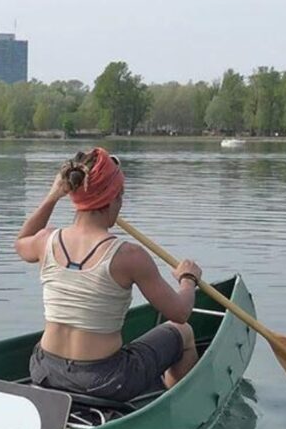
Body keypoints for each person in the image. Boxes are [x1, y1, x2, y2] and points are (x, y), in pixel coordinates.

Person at [14, 147, 202, 403]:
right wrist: (187, 280)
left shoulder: (45, 240)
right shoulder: (129, 256)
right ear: (113, 198)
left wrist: (53, 196)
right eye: (120, 196)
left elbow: (21, 241)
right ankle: (172, 408)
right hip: (105, 381)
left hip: (44, 370)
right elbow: (179, 312)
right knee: (183, 332)